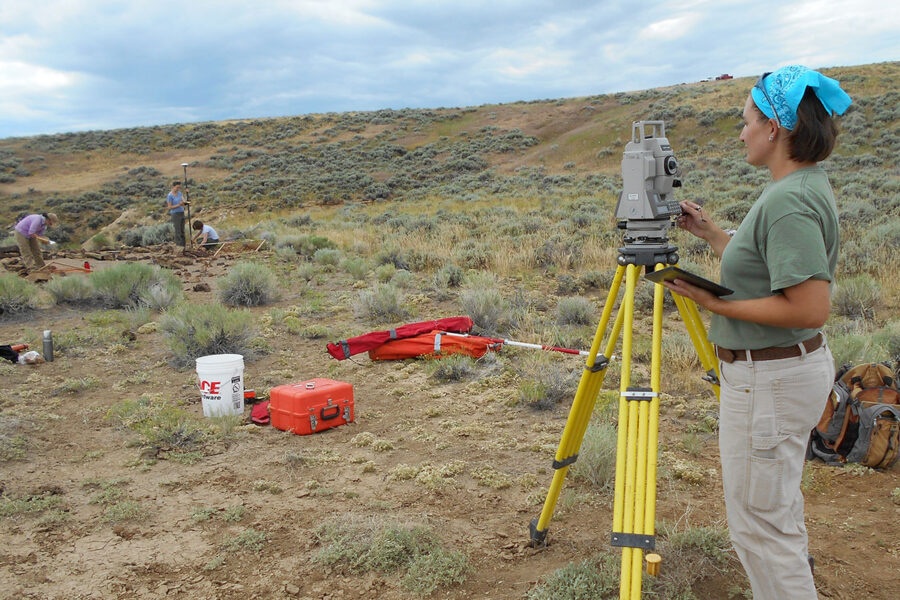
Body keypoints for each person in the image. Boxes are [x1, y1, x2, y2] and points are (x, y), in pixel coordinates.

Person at [664, 66, 852, 599]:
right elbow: (766, 269)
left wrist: (711, 301)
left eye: (746, 121)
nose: (740, 132)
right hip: (780, 373)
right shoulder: (798, 185)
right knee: (774, 515)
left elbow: (810, 306)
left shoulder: (788, 199)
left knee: (760, 530)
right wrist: (710, 232)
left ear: (775, 127)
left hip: (769, 378)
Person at [166, 181, 187, 247]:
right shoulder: (170, 195)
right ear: (173, 187)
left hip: (181, 212)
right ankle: (179, 246)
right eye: (177, 187)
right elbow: (169, 207)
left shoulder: (180, 193)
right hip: (175, 214)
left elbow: (184, 202)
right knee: (178, 230)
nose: (178, 189)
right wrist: (178, 205)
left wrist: (187, 196)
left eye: (179, 187)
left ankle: (184, 245)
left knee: (182, 230)